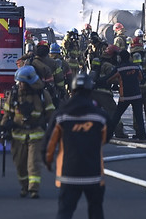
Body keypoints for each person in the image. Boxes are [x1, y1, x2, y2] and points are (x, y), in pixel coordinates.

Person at [44, 72, 110, 219]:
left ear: (72, 91)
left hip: (68, 174)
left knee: (65, 212)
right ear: (90, 91)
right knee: (96, 212)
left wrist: (47, 160)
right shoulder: (100, 117)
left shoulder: (61, 116)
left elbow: (50, 143)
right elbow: (105, 138)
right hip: (94, 174)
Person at [1, 65, 55, 199]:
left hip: (36, 134)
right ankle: (24, 186)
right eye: (18, 82)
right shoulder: (14, 94)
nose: (19, 85)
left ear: (29, 82)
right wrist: (2, 128)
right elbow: (7, 114)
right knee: (20, 164)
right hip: (18, 135)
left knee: (33, 163)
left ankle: (34, 189)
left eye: (22, 82)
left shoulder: (42, 95)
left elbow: (51, 114)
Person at [110, 49, 146, 139]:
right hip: (137, 95)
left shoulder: (119, 68)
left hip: (124, 97)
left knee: (117, 115)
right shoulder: (136, 67)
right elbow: (141, 78)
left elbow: (109, 78)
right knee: (139, 117)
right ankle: (142, 135)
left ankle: (108, 133)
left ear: (120, 58)